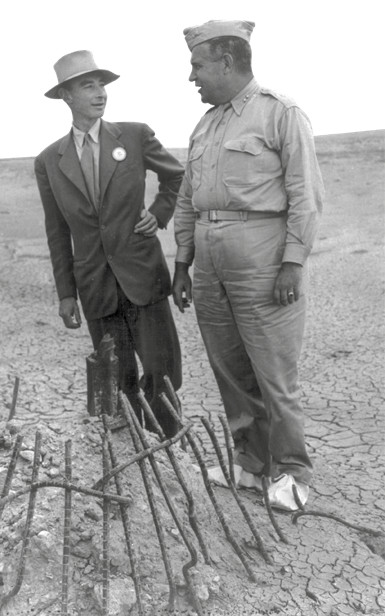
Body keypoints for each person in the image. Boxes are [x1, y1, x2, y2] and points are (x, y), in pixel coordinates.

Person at [172, 21, 324, 510]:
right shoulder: (205, 125)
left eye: (197, 65)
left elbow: (306, 195)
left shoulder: (281, 113)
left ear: (226, 62)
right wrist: (182, 261)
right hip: (209, 264)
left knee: (274, 372)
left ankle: (293, 473)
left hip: (263, 258)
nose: (191, 76)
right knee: (230, 368)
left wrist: (293, 263)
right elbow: (187, 199)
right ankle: (252, 464)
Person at [35, 50, 184, 437]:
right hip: (96, 288)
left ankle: (169, 452)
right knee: (117, 380)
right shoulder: (49, 160)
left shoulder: (134, 135)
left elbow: (176, 177)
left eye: (102, 84)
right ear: (66, 96)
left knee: (162, 375)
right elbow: (57, 231)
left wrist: (159, 213)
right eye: (88, 86)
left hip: (143, 278)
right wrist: (66, 293)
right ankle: (131, 456)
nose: (100, 92)